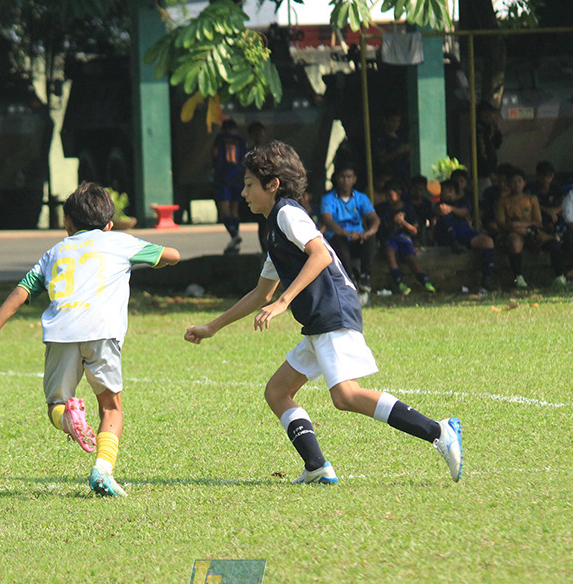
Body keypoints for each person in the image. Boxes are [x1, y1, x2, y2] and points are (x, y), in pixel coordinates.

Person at [183, 140, 463, 484]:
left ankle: (439, 431)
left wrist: (284, 302)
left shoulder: (287, 213)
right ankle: (316, 466)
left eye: (249, 185)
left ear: (273, 185)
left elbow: (321, 256)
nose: (243, 193)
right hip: (318, 322)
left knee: (345, 395)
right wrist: (213, 326)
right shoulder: (275, 229)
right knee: (277, 392)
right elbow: (260, 293)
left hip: (333, 312)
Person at [0, 182, 180, 497]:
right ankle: (103, 469)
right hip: (103, 332)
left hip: (62, 332)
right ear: (108, 224)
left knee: (56, 404)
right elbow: (173, 254)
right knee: (110, 407)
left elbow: (22, 291)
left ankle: (69, 419)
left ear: (67, 223)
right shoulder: (121, 242)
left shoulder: (53, 253)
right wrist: (157, 257)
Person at [495, 168, 566, 288]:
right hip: (513, 232)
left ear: (524, 183)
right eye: (513, 181)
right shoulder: (502, 201)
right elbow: (501, 223)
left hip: (531, 230)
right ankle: (518, 277)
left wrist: (523, 226)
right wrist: (515, 228)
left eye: (519, 181)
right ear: (508, 184)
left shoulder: (532, 199)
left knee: (553, 242)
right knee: (515, 244)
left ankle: (560, 276)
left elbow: (538, 221)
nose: (516, 184)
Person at [319, 164, 380, 302]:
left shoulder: (361, 198)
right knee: (337, 240)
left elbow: (374, 219)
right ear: (336, 179)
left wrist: (368, 232)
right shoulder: (328, 199)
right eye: (342, 177)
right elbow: (328, 220)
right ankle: (350, 278)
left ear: (354, 179)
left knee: (372, 240)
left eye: (349, 177)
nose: (345, 180)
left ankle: (365, 277)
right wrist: (346, 233)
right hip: (340, 238)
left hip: (358, 238)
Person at [433, 178, 497, 295]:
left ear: (452, 190)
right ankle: (453, 243)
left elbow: (465, 212)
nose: (441, 193)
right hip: (445, 235)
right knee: (446, 219)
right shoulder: (441, 204)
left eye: (444, 190)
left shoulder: (464, 201)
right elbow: (438, 211)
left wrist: (451, 209)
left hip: (463, 231)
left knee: (487, 242)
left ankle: (487, 278)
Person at [374, 179, 436, 295]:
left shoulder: (408, 208)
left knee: (411, 259)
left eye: (390, 195)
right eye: (386, 195)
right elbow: (381, 230)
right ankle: (399, 283)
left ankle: (425, 282)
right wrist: (393, 222)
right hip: (388, 239)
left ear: (398, 193)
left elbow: (414, 230)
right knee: (390, 253)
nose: (387, 198)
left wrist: (403, 223)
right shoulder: (381, 209)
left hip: (404, 238)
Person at [212, 119, 248, 254]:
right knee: (234, 210)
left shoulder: (220, 138)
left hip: (223, 177)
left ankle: (234, 235)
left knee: (224, 210)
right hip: (238, 177)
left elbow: (214, 154)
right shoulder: (240, 140)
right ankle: (236, 237)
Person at [246, 121, 271, 255]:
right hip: (257, 194)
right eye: (256, 133)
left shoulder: (268, 153)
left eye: (260, 133)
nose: (259, 136)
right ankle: (265, 251)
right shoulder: (249, 154)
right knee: (262, 224)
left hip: (267, 193)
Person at [373, 108, 411, 188]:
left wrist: (407, 153)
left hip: (402, 175)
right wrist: (398, 152)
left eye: (398, 121)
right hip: (389, 176)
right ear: (385, 121)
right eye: (393, 121)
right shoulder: (382, 138)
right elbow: (382, 159)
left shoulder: (400, 138)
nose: (395, 124)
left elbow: (406, 160)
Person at [475, 101, 503, 194]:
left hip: (490, 172)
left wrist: (497, 130)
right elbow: (482, 152)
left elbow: (496, 145)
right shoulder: (479, 130)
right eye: (492, 113)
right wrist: (489, 171)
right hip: (483, 174)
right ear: (484, 113)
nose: (493, 116)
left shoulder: (487, 129)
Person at [403, 174, 435, 245]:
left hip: (422, 230)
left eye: (421, 189)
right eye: (416, 188)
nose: (418, 192)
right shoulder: (405, 202)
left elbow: (431, 219)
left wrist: (431, 232)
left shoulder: (427, 203)